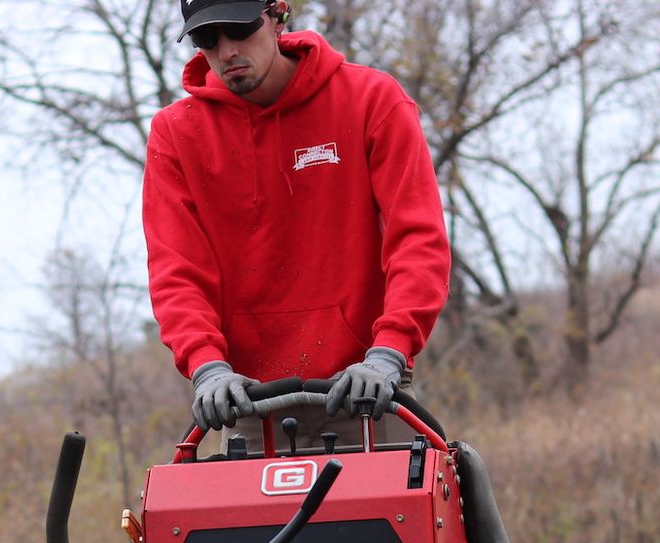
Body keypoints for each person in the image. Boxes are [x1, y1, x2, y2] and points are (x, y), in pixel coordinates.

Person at [143, 0, 451, 433]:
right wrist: (206, 366)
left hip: (369, 392)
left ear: (278, 16)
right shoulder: (176, 133)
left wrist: (389, 352)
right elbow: (176, 270)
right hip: (250, 404)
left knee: (418, 479)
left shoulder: (371, 99)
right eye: (207, 38)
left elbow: (418, 240)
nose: (227, 51)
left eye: (240, 29)